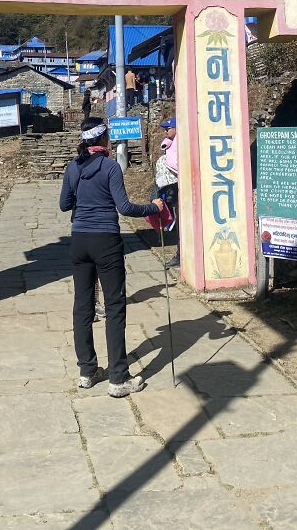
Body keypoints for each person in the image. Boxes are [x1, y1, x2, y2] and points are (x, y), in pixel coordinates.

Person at [60, 117, 162, 397]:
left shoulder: (73, 166)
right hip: (106, 241)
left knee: (83, 307)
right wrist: (153, 208)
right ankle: (118, 377)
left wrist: (83, 197)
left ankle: (87, 371)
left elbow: (63, 204)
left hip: (79, 240)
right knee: (115, 307)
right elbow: (125, 207)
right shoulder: (110, 167)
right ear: (104, 140)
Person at [156, 117, 180, 269]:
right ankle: (179, 254)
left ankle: (180, 255)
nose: (166, 131)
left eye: (168, 128)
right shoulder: (171, 142)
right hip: (171, 186)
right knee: (178, 222)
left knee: (181, 223)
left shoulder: (180, 142)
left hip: (176, 184)